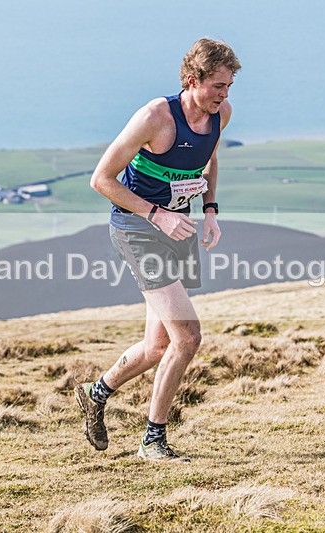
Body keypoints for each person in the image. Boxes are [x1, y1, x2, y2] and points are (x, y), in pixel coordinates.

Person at [75, 38, 241, 462]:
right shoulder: (155, 118)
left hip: (179, 225)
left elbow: (209, 161)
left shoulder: (220, 114)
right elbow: (101, 179)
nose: (225, 94)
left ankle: (96, 394)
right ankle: (153, 440)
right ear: (192, 80)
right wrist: (157, 214)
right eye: (218, 85)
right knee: (188, 337)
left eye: (230, 85)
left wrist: (210, 210)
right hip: (138, 227)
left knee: (157, 346)